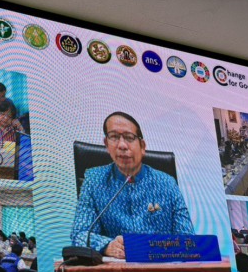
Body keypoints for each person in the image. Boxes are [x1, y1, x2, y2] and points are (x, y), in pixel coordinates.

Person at [70, 111, 193, 259]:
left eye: (129, 137)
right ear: (106, 144)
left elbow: (188, 238)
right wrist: (107, 245)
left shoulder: (167, 183)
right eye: (114, 137)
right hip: (116, 270)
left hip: (161, 268)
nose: (122, 145)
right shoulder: (94, 180)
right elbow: (79, 234)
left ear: (142, 146)